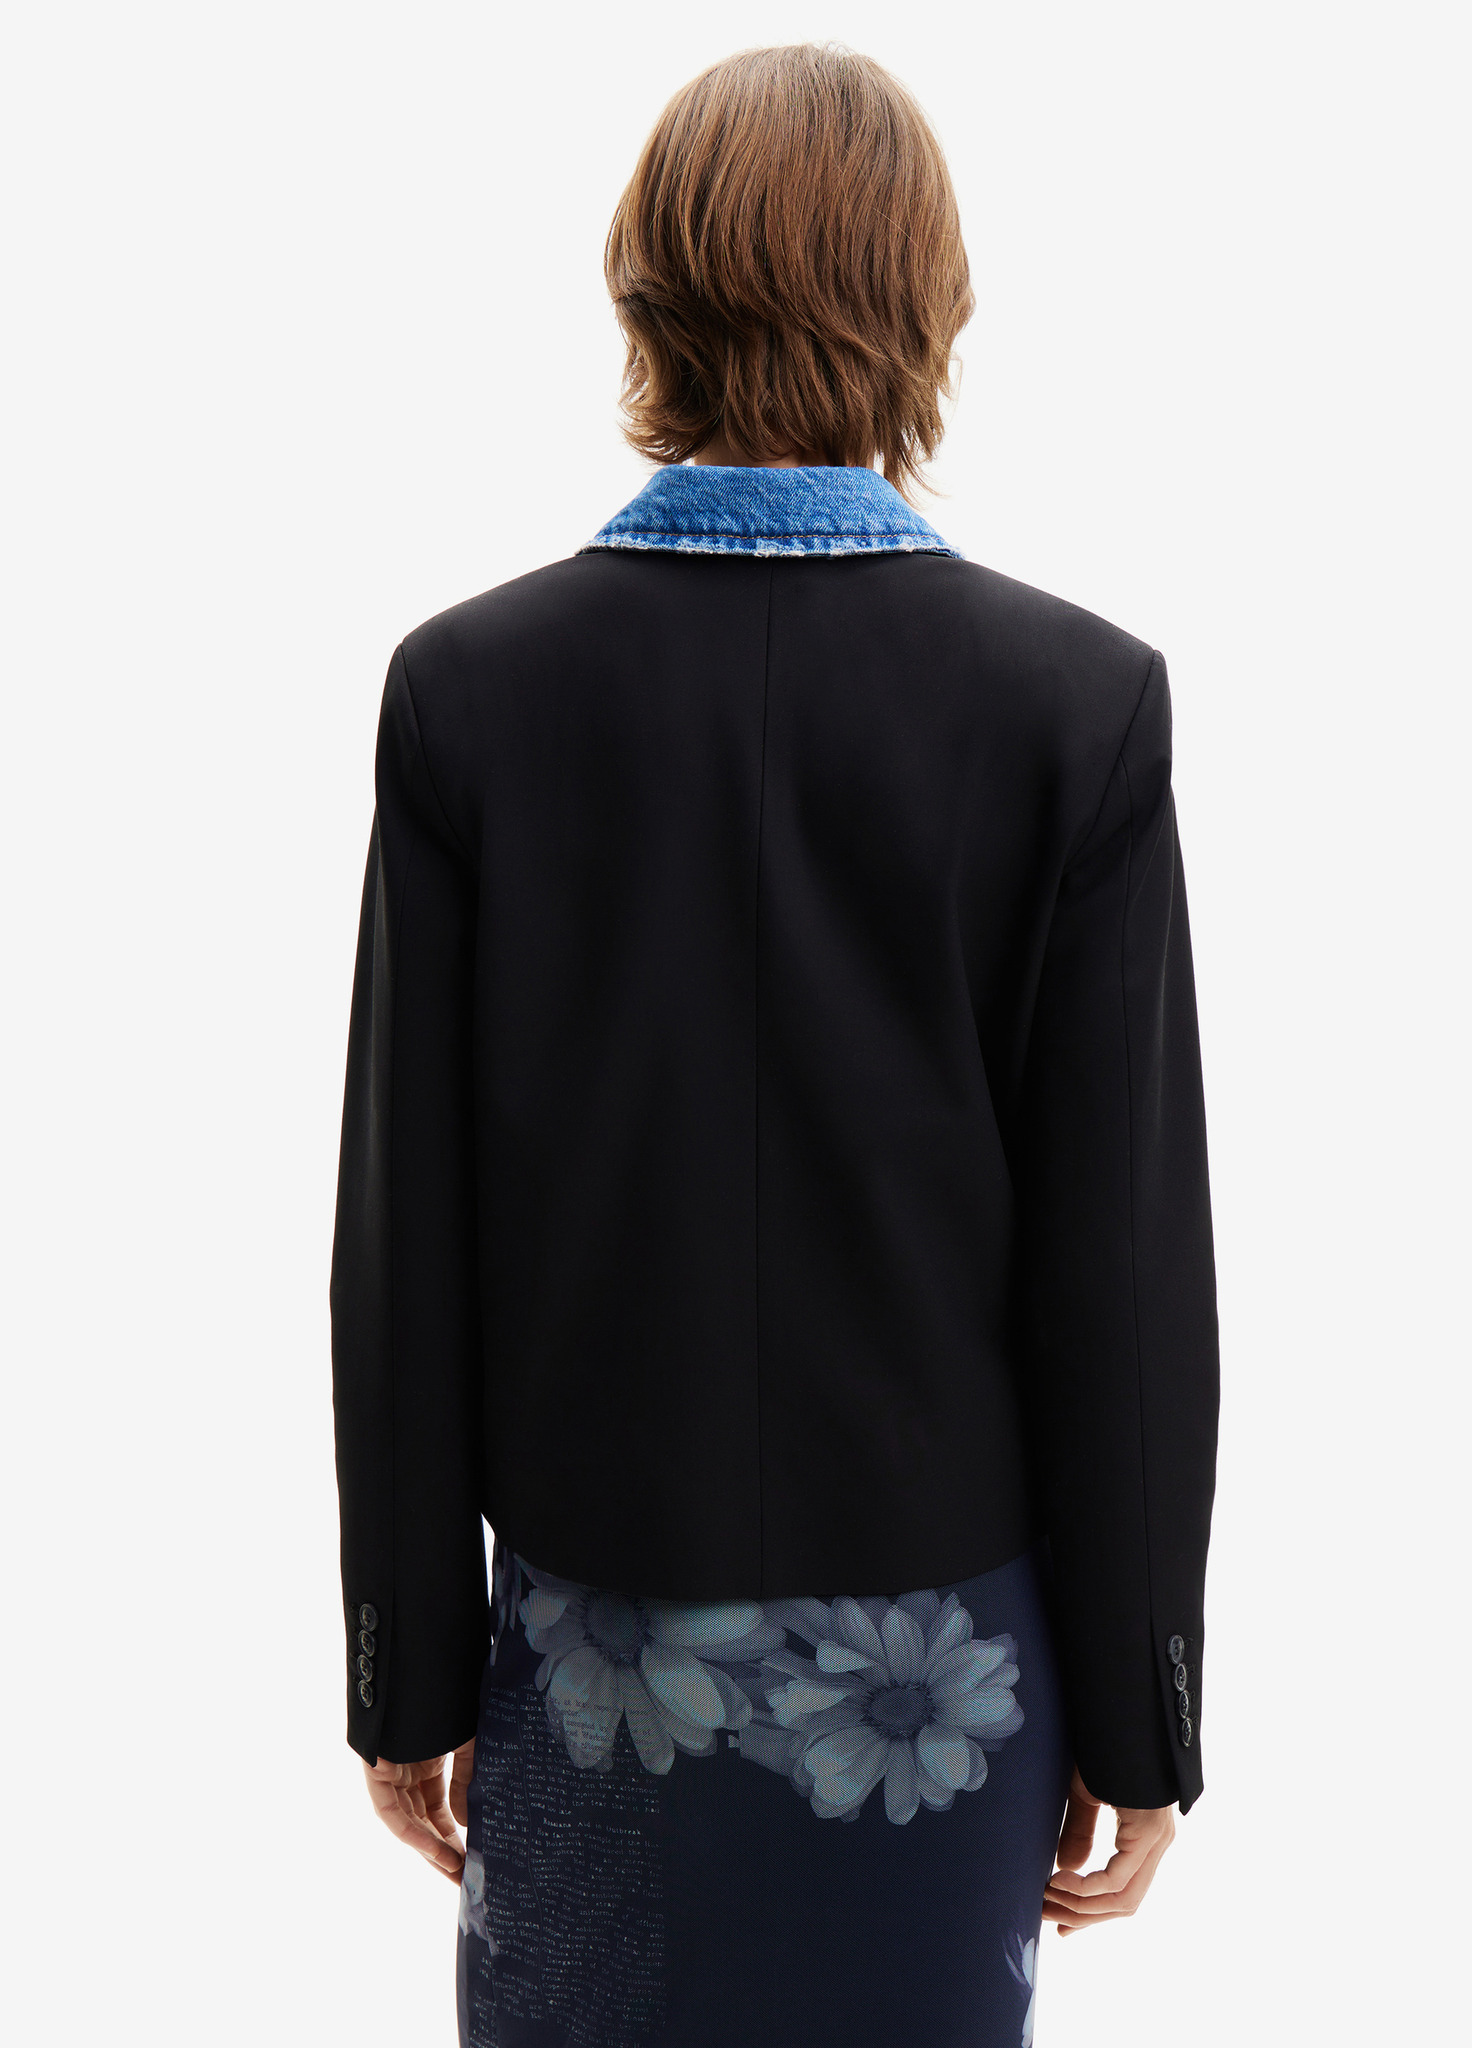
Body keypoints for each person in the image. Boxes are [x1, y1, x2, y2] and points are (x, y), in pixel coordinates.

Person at [330, 41, 1219, 2048]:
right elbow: (1118, 1272)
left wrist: (404, 1669)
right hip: (942, 1683)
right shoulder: (1073, 707)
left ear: (645, 288)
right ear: (929, 302)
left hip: (586, 1658)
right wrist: (1141, 1702)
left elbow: (407, 1237)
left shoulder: (470, 691)